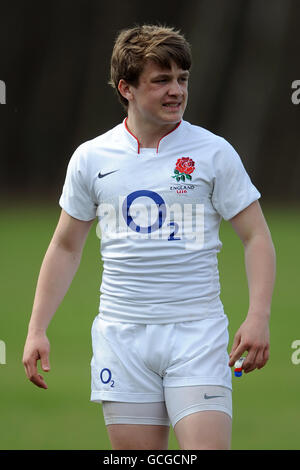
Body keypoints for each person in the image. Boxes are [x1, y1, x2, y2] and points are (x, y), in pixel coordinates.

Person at [22, 24, 276, 450]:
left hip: (197, 334)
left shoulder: (213, 152)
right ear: (127, 88)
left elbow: (256, 237)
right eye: (161, 80)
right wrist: (36, 329)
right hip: (121, 338)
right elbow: (65, 246)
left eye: (182, 79)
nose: (176, 90)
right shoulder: (91, 157)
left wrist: (259, 315)